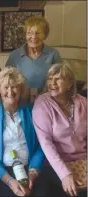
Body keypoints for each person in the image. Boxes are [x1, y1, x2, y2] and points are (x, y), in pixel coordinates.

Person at [0, 67, 45, 196]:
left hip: (29, 167)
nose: (10, 91)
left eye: (15, 87)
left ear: (21, 90)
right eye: (6, 87)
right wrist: (9, 181)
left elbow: (42, 145)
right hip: (3, 171)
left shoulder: (31, 110)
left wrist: (33, 172)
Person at [32, 63, 87, 197]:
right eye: (50, 79)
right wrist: (65, 174)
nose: (52, 83)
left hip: (83, 160)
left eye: (58, 79)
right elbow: (46, 144)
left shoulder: (83, 103)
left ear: (70, 83)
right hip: (55, 163)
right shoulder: (42, 104)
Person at [5, 16, 62, 102]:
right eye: (29, 33)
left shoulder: (53, 54)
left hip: (47, 100)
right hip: (20, 101)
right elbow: (7, 80)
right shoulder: (14, 55)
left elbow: (60, 79)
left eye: (38, 33)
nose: (34, 37)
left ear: (45, 35)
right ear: (25, 35)